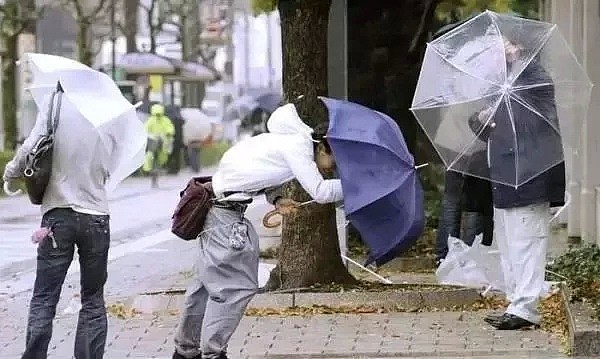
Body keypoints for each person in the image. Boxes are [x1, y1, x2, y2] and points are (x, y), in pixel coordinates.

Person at [172, 100, 343, 359]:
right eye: (335, 160)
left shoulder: (289, 140)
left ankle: (185, 352)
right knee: (236, 287)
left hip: (217, 210)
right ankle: (213, 353)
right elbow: (320, 192)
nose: (333, 168)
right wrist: (357, 186)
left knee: (205, 285)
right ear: (322, 147)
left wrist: (276, 199)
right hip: (225, 217)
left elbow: (259, 171)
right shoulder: (297, 146)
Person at [2, 85, 112, 358]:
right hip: (96, 217)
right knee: (93, 298)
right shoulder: (107, 111)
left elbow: (32, 147)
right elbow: (111, 164)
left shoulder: (56, 104)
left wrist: (10, 172)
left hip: (58, 216)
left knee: (45, 296)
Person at [471, 39, 565, 330]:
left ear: (520, 47)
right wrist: (481, 118)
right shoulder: (499, 84)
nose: (499, 53)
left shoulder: (534, 78)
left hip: (530, 176)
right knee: (510, 245)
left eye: (505, 46)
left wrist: (515, 63)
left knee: (527, 242)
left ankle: (526, 308)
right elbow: (480, 126)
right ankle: (515, 302)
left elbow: (531, 122)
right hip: (504, 178)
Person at [435, 170, 493, 267]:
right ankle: (468, 260)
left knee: (452, 199)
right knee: (474, 202)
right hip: (478, 163)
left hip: (456, 158)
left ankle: (444, 258)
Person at [143, 103, 175, 173]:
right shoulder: (151, 120)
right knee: (150, 154)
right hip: (153, 140)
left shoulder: (165, 120)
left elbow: (170, 127)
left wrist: (168, 132)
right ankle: (147, 168)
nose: (157, 116)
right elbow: (146, 128)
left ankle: (158, 165)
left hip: (163, 140)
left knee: (164, 153)